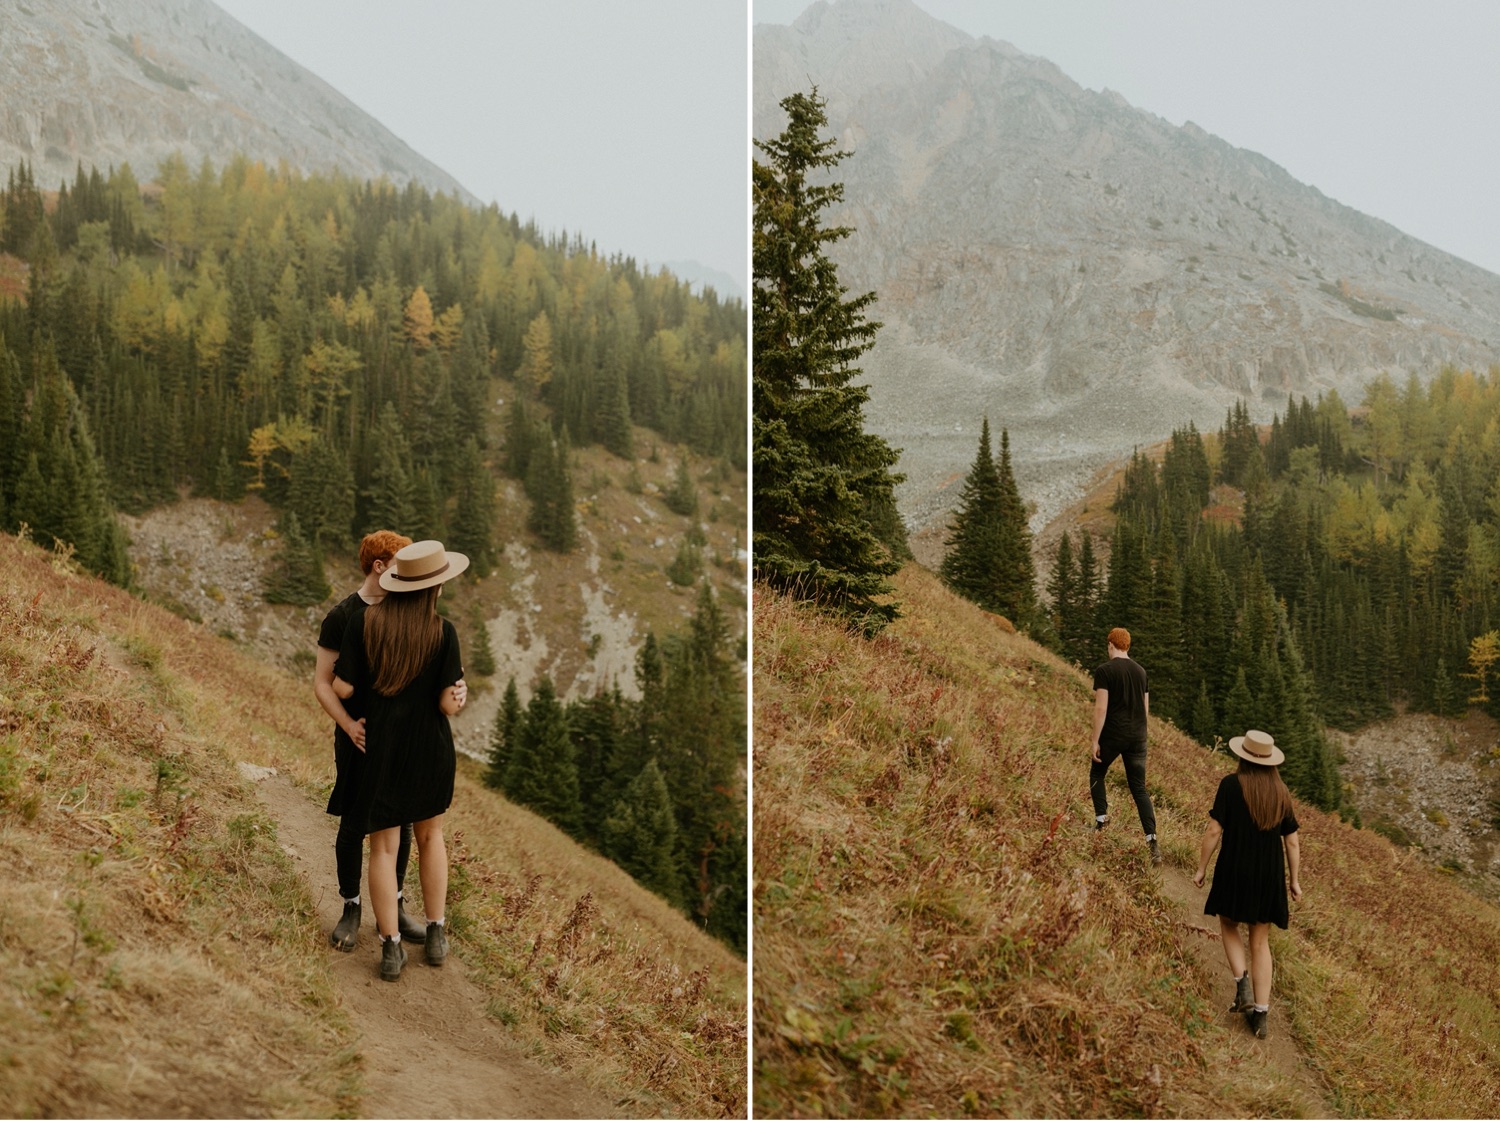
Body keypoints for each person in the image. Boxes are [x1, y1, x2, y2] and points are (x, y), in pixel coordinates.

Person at [335, 539, 469, 982]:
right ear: (433, 588)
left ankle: (391, 948)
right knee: (431, 837)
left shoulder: (363, 622)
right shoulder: (442, 631)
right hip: (429, 749)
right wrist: (459, 693)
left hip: (381, 747)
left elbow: (343, 690)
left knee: (384, 846)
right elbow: (449, 705)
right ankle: (434, 933)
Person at [313, 530, 427, 951]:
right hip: (357, 738)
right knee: (356, 821)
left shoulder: (406, 608)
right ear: (379, 567)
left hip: (398, 740)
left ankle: (392, 908)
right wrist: (348, 726)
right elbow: (323, 684)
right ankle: (351, 906)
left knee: (400, 821)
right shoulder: (341, 616)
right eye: (400, 564)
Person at [1191, 729, 1303, 1040]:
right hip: (1268, 875)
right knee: (1260, 940)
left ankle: (1242, 984)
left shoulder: (1230, 785)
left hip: (1235, 868)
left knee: (1229, 924)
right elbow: (1292, 842)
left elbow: (1214, 830)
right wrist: (1293, 880)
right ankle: (1262, 1015)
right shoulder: (1281, 792)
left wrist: (1201, 868)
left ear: (1243, 756)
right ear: (1270, 762)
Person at [1089, 626, 1160, 864]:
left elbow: (1101, 708)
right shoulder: (1141, 672)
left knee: (1098, 771)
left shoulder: (1105, 671)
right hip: (1138, 736)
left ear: (1111, 644)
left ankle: (1101, 821)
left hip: (1113, 734)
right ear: (1127, 646)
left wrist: (1095, 740)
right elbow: (1145, 708)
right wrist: (1140, 733)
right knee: (1139, 788)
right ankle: (1152, 842)